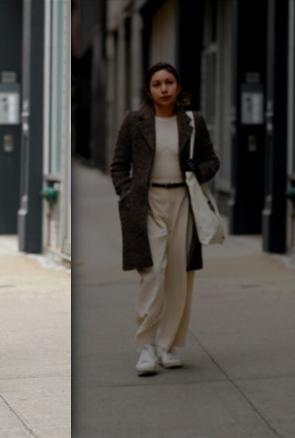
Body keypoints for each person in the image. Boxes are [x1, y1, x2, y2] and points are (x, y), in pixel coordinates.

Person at [110, 62, 220, 376]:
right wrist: (128, 194)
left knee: (178, 277)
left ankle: (167, 345)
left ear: (178, 86)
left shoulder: (192, 121)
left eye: (169, 82)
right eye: (157, 84)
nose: (164, 89)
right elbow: (118, 166)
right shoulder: (134, 121)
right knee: (153, 273)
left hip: (183, 201)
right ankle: (145, 345)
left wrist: (199, 170)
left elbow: (212, 160)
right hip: (148, 203)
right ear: (149, 90)